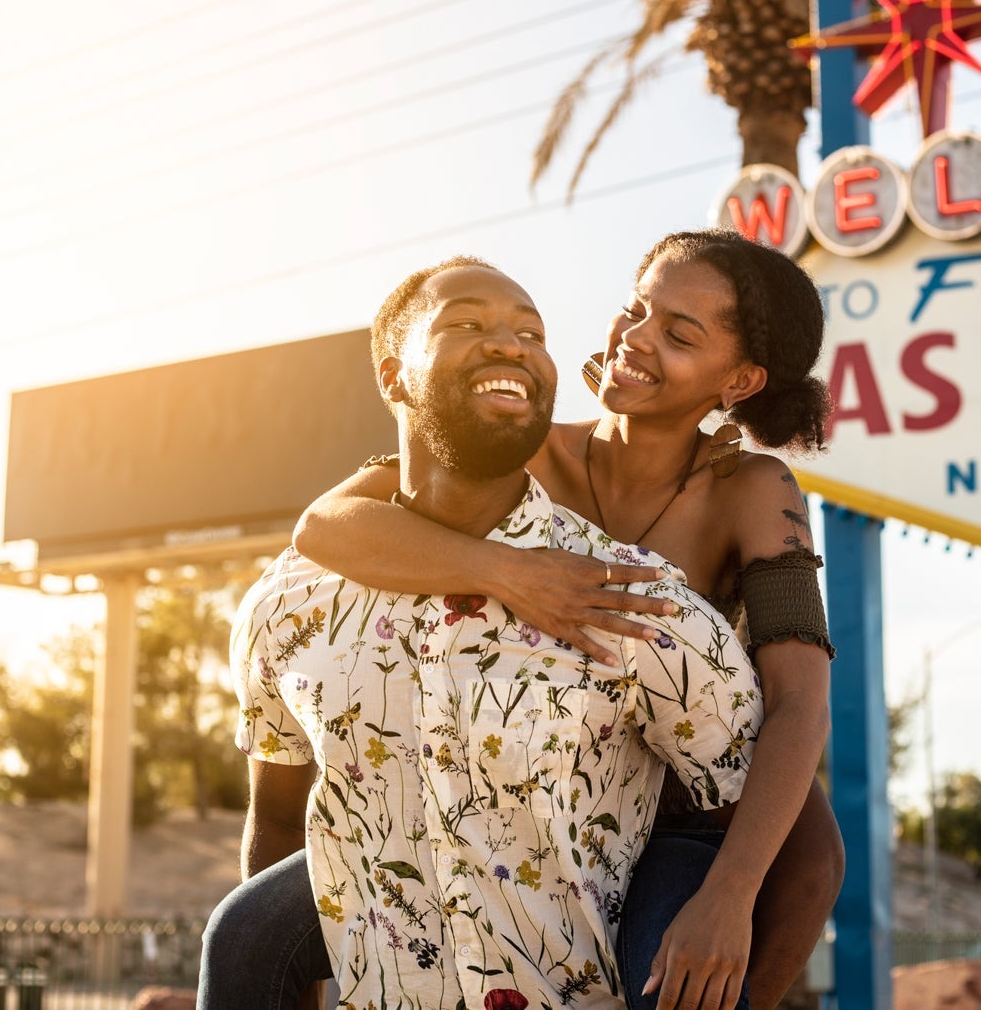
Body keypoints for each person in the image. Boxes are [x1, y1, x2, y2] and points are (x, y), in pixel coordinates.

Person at [293, 229, 843, 1009]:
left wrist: (727, 899)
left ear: (740, 379)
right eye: (635, 310)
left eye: (679, 334)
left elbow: (799, 699)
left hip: (684, 816)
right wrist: (512, 572)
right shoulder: (526, 447)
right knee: (244, 936)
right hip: (512, 805)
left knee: (810, 863)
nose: (635, 339)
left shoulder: (754, 489)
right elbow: (324, 524)